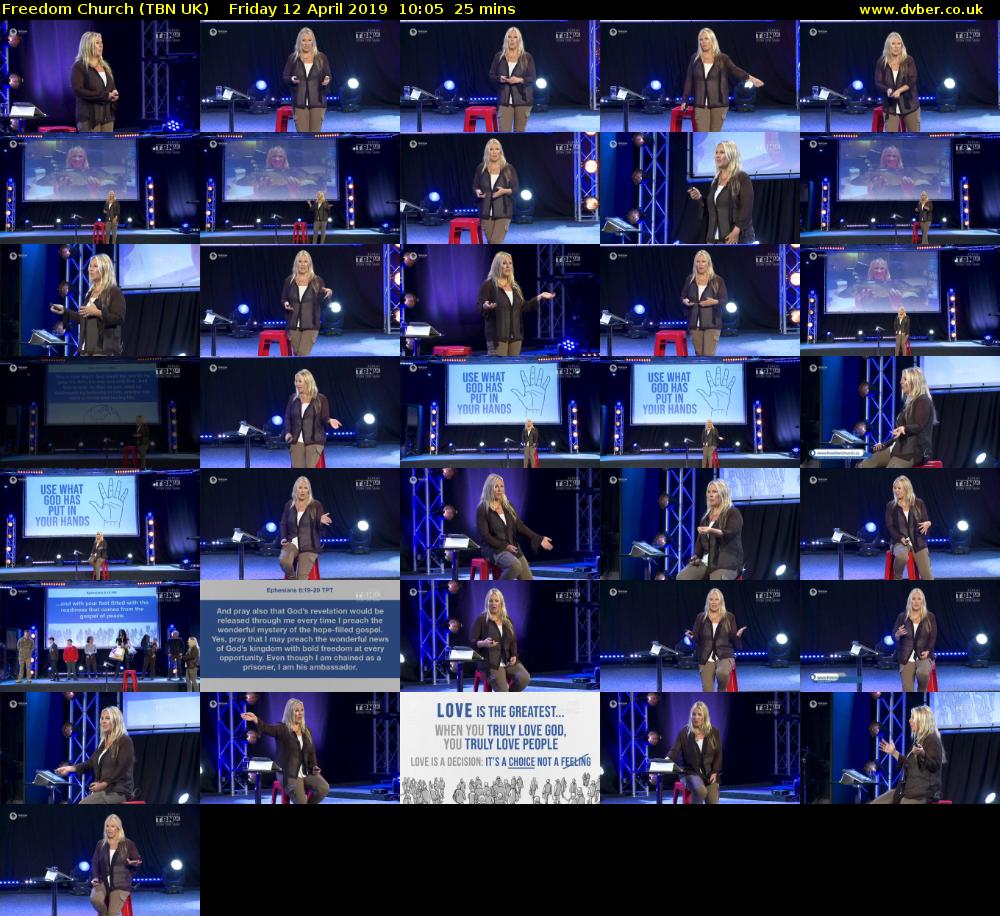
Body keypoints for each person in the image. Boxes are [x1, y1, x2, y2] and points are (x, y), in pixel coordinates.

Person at [242, 698, 330, 804]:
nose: (300, 713)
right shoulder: (282, 729)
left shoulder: (306, 731)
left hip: (305, 771)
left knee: (323, 788)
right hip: (288, 774)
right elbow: (266, 728)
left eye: (302, 710)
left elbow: (311, 752)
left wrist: (314, 766)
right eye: (296, 710)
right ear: (290, 712)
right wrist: (255, 719)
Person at [681, 28, 764, 132]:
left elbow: (735, 70)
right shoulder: (694, 58)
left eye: (706, 39)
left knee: (714, 133)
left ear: (712, 40)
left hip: (719, 104)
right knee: (702, 133)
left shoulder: (723, 58)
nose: (703, 42)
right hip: (700, 105)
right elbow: (689, 79)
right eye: (701, 39)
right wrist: (685, 99)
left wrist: (751, 78)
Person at [475, 473, 553, 579]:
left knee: (528, 578)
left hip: (512, 546)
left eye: (502, 486)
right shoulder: (482, 509)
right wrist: (505, 546)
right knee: (515, 566)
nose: (499, 489)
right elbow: (486, 536)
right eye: (496, 486)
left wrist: (539, 538)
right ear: (489, 488)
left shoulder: (508, 505)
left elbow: (520, 526)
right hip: (494, 549)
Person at [476, 250, 554, 356]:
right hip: (497, 337)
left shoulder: (515, 287)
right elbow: (480, 306)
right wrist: (486, 306)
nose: (508, 266)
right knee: (500, 365)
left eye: (510, 263)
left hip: (516, 337)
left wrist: (540, 297)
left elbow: (523, 307)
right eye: (504, 263)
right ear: (497, 266)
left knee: (514, 365)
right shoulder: (488, 285)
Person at [56, 706, 134, 804]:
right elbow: (90, 763)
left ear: (116, 721)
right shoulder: (103, 743)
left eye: (107, 718)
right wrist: (70, 768)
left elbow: (122, 767)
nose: (103, 721)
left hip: (118, 791)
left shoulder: (124, 740)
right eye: (102, 718)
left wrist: (104, 784)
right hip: (104, 790)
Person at [50, 255, 126, 356]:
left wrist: (98, 313)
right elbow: (83, 317)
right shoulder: (91, 292)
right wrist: (65, 310)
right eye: (90, 266)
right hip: (86, 349)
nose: (90, 269)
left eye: (95, 266)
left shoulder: (114, 291)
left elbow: (118, 319)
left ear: (105, 269)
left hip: (103, 351)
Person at [859, 366, 935, 467]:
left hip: (912, 452)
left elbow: (919, 426)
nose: (901, 382)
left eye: (905, 379)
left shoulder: (923, 401)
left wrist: (904, 428)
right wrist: (884, 444)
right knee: (865, 463)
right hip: (898, 449)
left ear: (914, 381)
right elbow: (900, 436)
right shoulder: (909, 403)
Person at [871, 705, 944, 803]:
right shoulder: (919, 740)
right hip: (907, 791)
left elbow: (934, 765)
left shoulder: (932, 739)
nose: (909, 720)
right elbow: (909, 764)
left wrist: (923, 754)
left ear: (922, 720)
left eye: (913, 717)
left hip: (922, 795)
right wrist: (894, 752)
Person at [686, 141, 755, 244]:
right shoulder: (716, 180)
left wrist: (736, 231)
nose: (717, 156)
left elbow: (746, 207)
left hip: (735, 238)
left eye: (722, 152)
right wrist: (699, 197)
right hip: (713, 239)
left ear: (731, 155)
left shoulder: (742, 178)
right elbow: (714, 208)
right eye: (716, 152)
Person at [677, 479, 743, 580]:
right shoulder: (706, 518)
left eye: (714, 491)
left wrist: (710, 530)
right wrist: (696, 556)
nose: (710, 495)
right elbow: (700, 542)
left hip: (725, 562)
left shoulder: (732, 513)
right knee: (682, 577)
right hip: (706, 562)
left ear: (723, 494)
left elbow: (729, 534)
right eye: (709, 492)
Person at [685, 588, 746, 692]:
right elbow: (697, 638)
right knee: (707, 690)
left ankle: (722, 690)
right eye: (711, 599)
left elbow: (732, 637)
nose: (714, 602)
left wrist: (737, 635)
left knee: (722, 673)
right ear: (708, 601)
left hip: (724, 655)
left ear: (721, 601)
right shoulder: (701, 617)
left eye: (716, 599)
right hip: (705, 657)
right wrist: (691, 636)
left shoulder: (729, 617)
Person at [470, 587, 531, 691]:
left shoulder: (507, 620)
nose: (493, 604)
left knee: (524, 678)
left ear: (501, 603)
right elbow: (472, 642)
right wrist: (483, 643)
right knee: (503, 691)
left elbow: (513, 641)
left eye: (496, 601)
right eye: (491, 601)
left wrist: (514, 655)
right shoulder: (481, 619)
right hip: (491, 663)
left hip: (507, 661)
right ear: (487, 603)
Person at [666, 700, 723, 804]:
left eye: (699, 714)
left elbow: (718, 754)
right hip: (689, 773)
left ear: (705, 716)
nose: (696, 717)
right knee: (701, 791)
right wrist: (665, 761)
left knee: (712, 801)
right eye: (694, 714)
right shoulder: (684, 733)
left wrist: (715, 772)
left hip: (709, 773)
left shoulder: (714, 732)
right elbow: (674, 751)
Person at [283, 368, 342, 467]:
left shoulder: (321, 399)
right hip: (296, 440)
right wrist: (288, 432)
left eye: (300, 381)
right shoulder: (293, 398)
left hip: (314, 440)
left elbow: (324, 417)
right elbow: (288, 417)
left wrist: (330, 420)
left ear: (308, 382)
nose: (297, 384)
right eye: (296, 381)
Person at [281, 250, 333, 356]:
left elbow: (324, 300)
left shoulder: (317, 280)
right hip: (293, 324)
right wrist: (286, 303)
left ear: (309, 264)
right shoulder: (289, 280)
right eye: (300, 261)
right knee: (297, 354)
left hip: (311, 324)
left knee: (302, 354)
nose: (303, 264)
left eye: (305, 261)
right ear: (296, 263)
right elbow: (284, 298)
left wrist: (329, 293)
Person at [279, 476, 332, 579]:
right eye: (300, 488)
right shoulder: (289, 504)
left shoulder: (316, 505)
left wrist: (320, 521)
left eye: (305, 488)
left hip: (309, 545)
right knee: (284, 561)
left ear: (309, 490)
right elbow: (283, 524)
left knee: (302, 578)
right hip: (291, 542)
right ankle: (292, 578)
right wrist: (283, 538)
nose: (302, 491)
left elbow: (321, 529)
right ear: (296, 490)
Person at [281, 27, 331, 133]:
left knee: (314, 135)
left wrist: (327, 80)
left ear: (313, 41)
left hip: (318, 102)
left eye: (309, 40)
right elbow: (285, 76)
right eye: (303, 40)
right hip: (299, 103)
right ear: (299, 42)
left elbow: (328, 75)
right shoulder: (293, 58)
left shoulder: (321, 57)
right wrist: (291, 79)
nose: (306, 43)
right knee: (302, 136)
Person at [885, 475, 934, 579]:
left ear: (907, 489)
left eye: (899, 488)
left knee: (928, 576)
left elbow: (926, 520)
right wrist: (900, 538)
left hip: (917, 541)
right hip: (899, 541)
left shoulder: (918, 503)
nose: (896, 491)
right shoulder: (891, 506)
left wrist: (928, 523)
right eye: (895, 488)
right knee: (902, 557)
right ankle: (897, 577)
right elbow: (890, 526)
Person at [489, 26, 536, 132]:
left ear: (519, 40)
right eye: (509, 37)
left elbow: (532, 77)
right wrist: (499, 78)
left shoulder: (527, 57)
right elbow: (491, 75)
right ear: (506, 39)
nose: (512, 40)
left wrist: (519, 80)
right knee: (504, 131)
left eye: (515, 37)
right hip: (504, 100)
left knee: (519, 132)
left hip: (523, 100)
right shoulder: (499, 56)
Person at [681, 249, 727, 356]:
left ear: (708, 263)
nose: (700, 264)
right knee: (699, 355)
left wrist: (714, 302)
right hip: (694, 325)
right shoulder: (690, 279)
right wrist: (685, 300)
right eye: (698, 261)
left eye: (703, 261)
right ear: (695, 263)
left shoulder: (717, 280)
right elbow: (683, 296)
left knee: (708, 356)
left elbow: (724, 300)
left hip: (712, 324)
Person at [473, 138, 519, 244]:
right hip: (485, 212)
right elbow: (475, 186)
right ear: (487, 152)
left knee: (495, 242)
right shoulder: (481, 168)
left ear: (500, 151)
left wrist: (504, 191)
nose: (494, 152)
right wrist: (477, 191)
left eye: (497, 149)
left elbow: (516, 189)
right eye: (491, 149)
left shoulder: (508, 168)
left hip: (503, 212)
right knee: (490, 242)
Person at [71, 32, 119, 132]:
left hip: (107, 117)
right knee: (93, 143)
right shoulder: (79, 66)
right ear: (88, 45)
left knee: (107, 142)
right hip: (89, 118)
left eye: (101, 42)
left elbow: (110, 87)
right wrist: (105, 96)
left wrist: (114, 93)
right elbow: (78, 90)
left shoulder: (105, 67)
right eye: (97, 43)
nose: (101, 45)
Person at [892, 588, 937, 691]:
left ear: (923, 601)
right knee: (908, 689)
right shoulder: (902, 617)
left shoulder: (930, 617)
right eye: (913, 599)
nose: (916, 602)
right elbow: (894, 636)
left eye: (919, 599)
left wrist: (928, 650)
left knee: (922, 673)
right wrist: (897, 635)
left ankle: (921, 690)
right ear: (910, 601)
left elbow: (933, 637)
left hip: (923, 655)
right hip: (906, 657)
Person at [875, 31, 920, 132]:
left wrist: (899, 91)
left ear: (902, 46)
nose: (896, 47)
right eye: (893, 44)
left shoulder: (908, 60)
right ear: (888, 46)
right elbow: (878, 82)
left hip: (910, 105)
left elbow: (912, 80)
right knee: (892, 139)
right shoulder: (881, 62)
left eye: (899, 44)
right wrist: (887, 90)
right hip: (890, 106)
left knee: (915, 136)